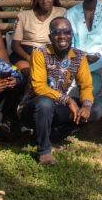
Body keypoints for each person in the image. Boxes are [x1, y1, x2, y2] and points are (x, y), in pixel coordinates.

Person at [20, 17, 94, 165]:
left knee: (95, 110)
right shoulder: (40, 53)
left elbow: (86, 86)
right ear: (50, 37)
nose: (62, 36)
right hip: (32, 108)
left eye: (66, 32)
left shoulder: (79, 56)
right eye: (56, 32)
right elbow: (39, 87)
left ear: (72, 34)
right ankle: (44, 151)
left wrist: (86, 105)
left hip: (57, 108)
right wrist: (67, 100)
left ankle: (51, 136)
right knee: (45, 103)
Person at [10, 0, 67, 71]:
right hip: (26, 53)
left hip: (51, 53)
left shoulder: (61, 12)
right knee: (29, 73)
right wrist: (29, 58)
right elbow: (15, 45)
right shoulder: (24, 16)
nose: (45, 1)